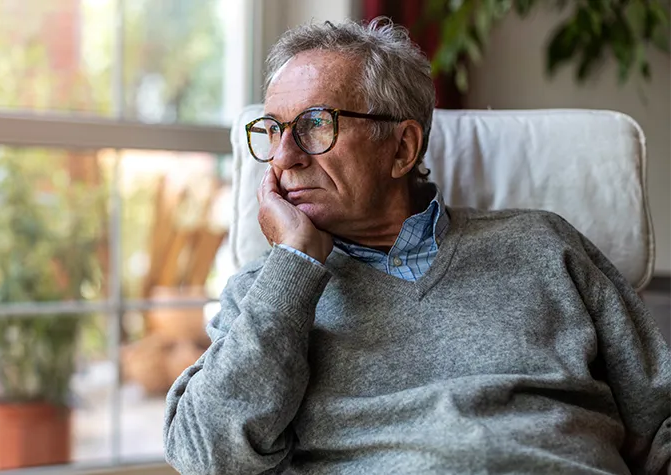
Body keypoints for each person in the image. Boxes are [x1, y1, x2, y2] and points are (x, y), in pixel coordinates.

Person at [163, 17, 671, 475]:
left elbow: (660, 413)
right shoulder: (267, 294)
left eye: (315, 124)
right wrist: (294, 263)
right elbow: (209, 458)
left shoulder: (545, 243)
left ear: (403, 147)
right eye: (273, 131)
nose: (284, 157)